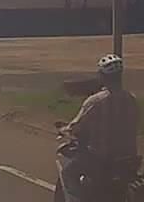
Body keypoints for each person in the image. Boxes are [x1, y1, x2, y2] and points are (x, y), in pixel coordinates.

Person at [54, 54, 139, 202]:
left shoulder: (95, 101)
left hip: (101, 159)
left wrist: (64, 129)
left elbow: (76, 127)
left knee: (68, 173)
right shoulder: (131, 99)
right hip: (129, 159)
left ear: (102, 76)